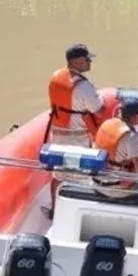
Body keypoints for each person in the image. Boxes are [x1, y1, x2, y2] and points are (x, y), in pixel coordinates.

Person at [45, 43, 105, 218]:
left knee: (58, 174)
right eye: (87, 60)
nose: (90, 63)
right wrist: (101, 99)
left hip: (57, 132)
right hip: (77, 135)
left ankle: (54, 208)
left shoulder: (55, 77)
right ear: (76, 62)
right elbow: (99, 111)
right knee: (82, 175)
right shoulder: (84, 86)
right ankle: (79, 213)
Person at [92, 100, 138, 197]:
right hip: (114, 188)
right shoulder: (131, 136)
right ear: (135, 116)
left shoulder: (106, 123)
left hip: (96, 182)